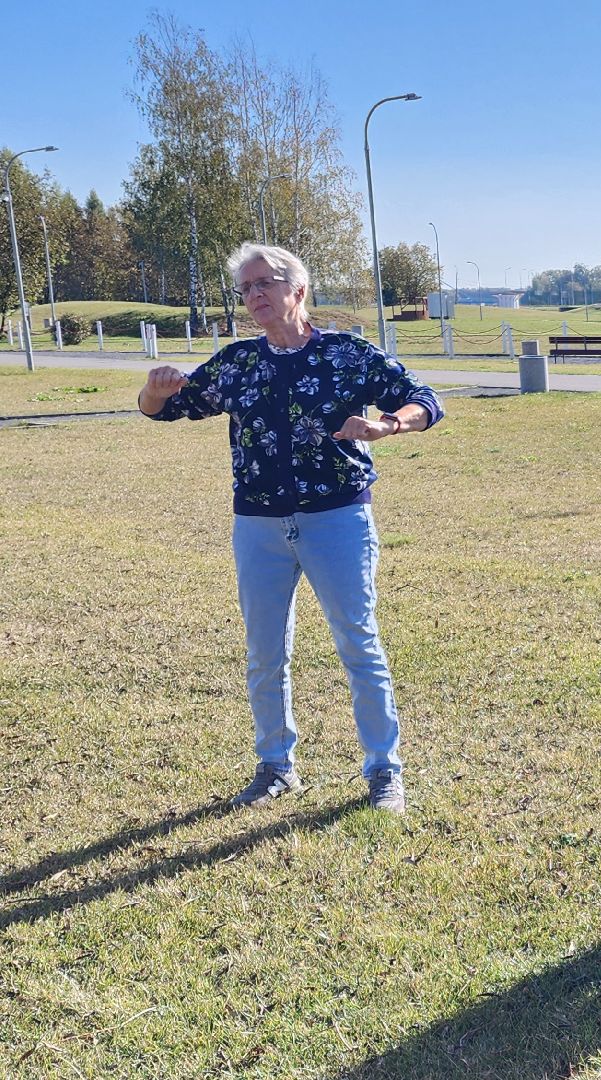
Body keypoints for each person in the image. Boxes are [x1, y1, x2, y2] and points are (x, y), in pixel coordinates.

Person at [139, 242, 443, 814]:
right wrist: (153, 393)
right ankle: (276, 767)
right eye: (246, 289)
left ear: (296, 289)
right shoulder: (238, 364)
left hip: (337, 520)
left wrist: (389, 426)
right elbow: (169, 408)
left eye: (264, 284)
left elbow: (424, 398)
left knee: (358, 643)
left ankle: (384, 772)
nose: (254, 296)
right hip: (259, 526)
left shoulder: (348, 355)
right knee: (264, 652)